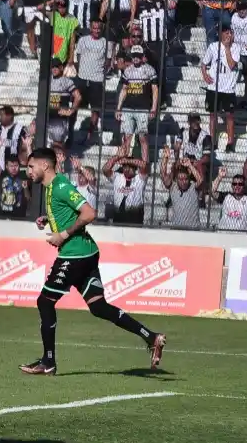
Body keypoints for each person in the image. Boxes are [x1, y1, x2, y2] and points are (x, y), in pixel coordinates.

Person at [20, 147, 166, 375]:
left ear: (44, 166)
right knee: (98, 307)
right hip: (87, 252)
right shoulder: (50, 187)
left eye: (31, 166)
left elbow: (89, 213)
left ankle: (48, 362)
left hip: (74, 254)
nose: (28, 171)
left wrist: (63, 235)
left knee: (45, 302)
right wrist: (49, 220)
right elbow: (68, 212)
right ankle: (151, 337)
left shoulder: (60, 186)